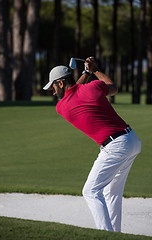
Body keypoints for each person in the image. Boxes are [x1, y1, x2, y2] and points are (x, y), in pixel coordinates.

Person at [43, 57, 141, 232]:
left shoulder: (62, 106)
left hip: (115, 146)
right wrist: (94, 71)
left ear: (60, 82)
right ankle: (114, 234)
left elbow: (72, 91)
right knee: (111, 192)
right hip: (132, 140)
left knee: (90, 191)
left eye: (53, 86)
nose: (52, 91)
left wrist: (86, 73)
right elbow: (113, 87)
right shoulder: (94, 87)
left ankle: (105, 234)